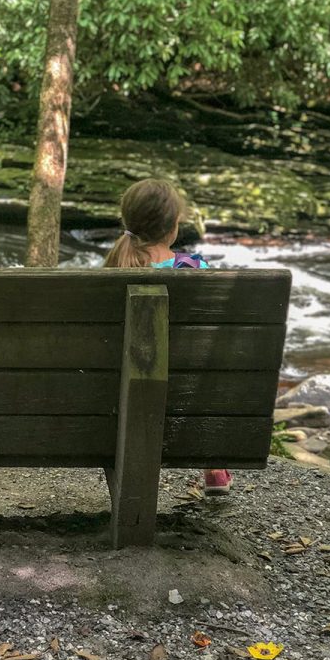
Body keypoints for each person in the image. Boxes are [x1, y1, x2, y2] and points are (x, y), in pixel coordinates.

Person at [103, 177, 232, 497]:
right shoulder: (194, 267)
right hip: (185, 392)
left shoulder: (110, 269)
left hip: (115, 393)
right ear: (174, 226)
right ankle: (214, 466)